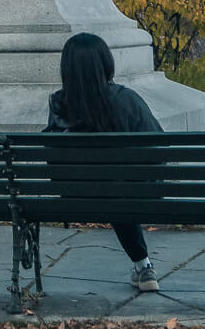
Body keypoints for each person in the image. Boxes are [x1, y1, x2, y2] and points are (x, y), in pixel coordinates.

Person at [44, 31, 163, 294]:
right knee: (117, 191)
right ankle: (143, 265)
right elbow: (159, 147)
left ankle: (143, 265)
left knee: (109, 188)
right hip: (133, 196)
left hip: (76, 199)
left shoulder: (59, 104)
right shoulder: (126, 99)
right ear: (106, 63)